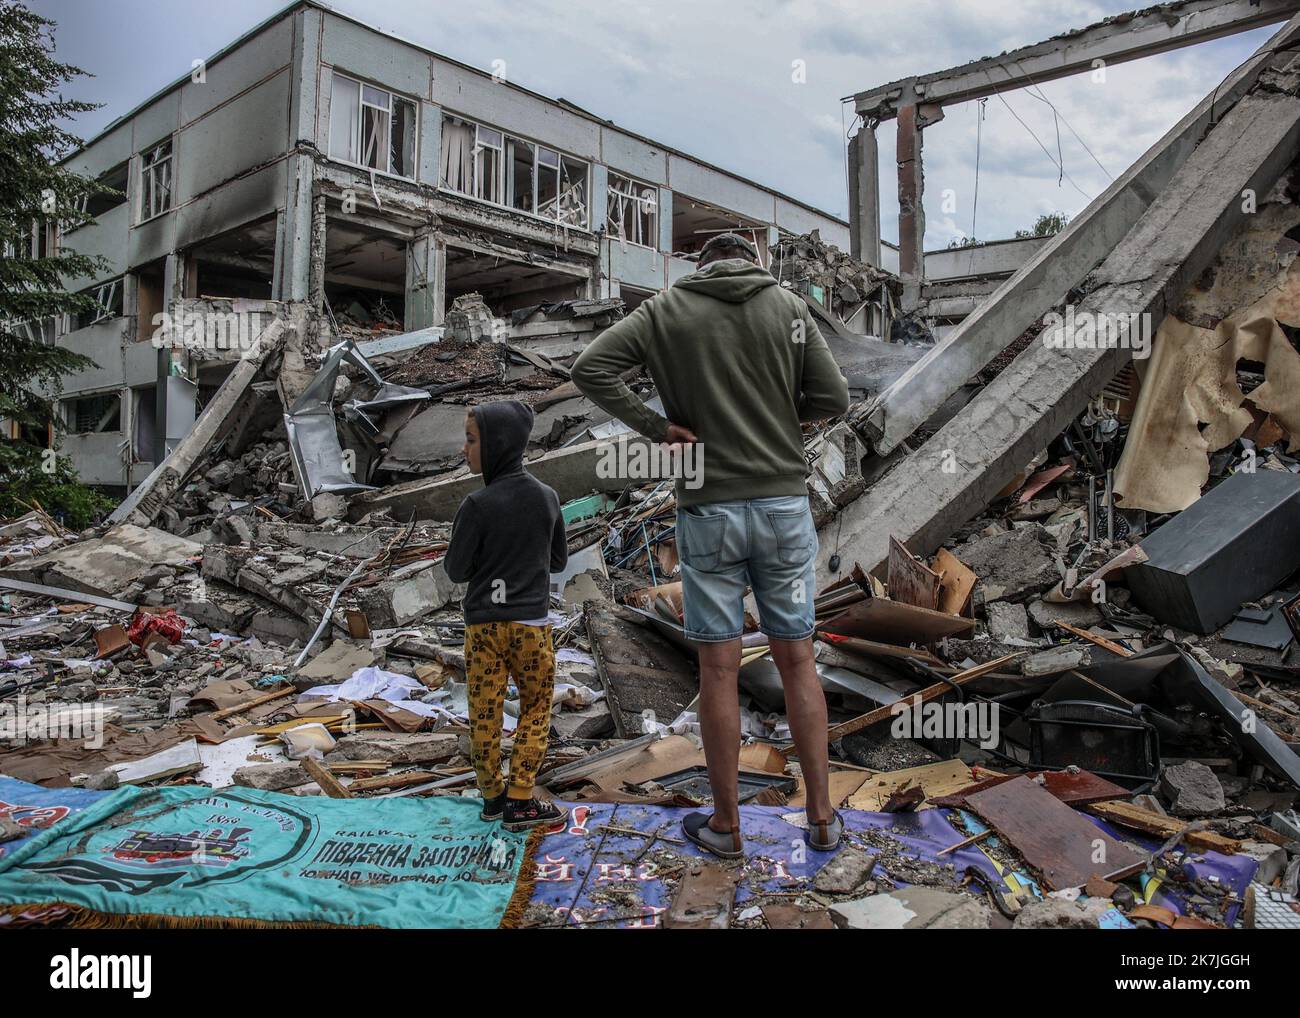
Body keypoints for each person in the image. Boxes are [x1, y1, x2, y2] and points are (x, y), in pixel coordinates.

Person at [571, 232, 850, 858]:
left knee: (718, 669)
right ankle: (822, 817)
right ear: (751, 264)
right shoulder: (788, 308)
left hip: (707, 506)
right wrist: (780, 419)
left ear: (701, 267)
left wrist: (658, 428)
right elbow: (833, 399)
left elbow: (590, 368)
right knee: (798, 660)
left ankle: (726, 827)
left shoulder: (665, 309)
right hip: (782, 505)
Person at [443, 400, 570, 832]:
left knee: (485, 711)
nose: (465, 449)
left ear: (496, 444)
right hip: (531, 628)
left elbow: (455, 571)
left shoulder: (476, 505)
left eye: (472, 440)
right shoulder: (547, 498)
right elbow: (556, 562)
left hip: (483, 628)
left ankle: (493, 796)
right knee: (536, 706)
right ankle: (521, 799)